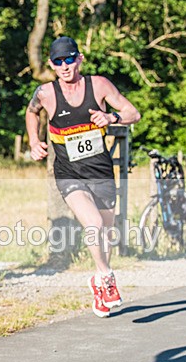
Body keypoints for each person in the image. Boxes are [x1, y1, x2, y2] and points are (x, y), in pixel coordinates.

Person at [25, 36, 140, 318]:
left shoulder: (98, 85)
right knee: (94, 223)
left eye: (69, 59)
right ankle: (106, 275)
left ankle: (100, 282)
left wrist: (111, 118)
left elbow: (133, 113)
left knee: (107, 232)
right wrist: (33, 141)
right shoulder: (46, 93)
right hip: (68, 173)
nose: (64, 66)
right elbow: (31, 112)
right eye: (58, 61)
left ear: (79, 59)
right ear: (52, 64)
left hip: (100, 171)